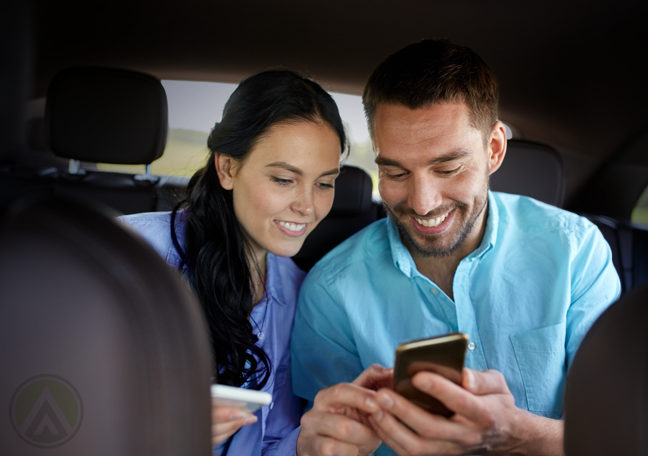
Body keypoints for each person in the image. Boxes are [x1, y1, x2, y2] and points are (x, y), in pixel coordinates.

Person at [290, 39, 621, 456]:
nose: (422, 202)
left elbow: (619, 433)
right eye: (395, 171)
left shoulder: (575, 253)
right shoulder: (330, 292)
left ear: (494, 149)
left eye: (448, 168)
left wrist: (515, 435)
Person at [119, 69, 369, 456]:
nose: (307, 206)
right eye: (284, 179)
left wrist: (311, 444)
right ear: (228, 168)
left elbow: (269, 438)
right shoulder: (126, 255)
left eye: (324, 183)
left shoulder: (303, 294)